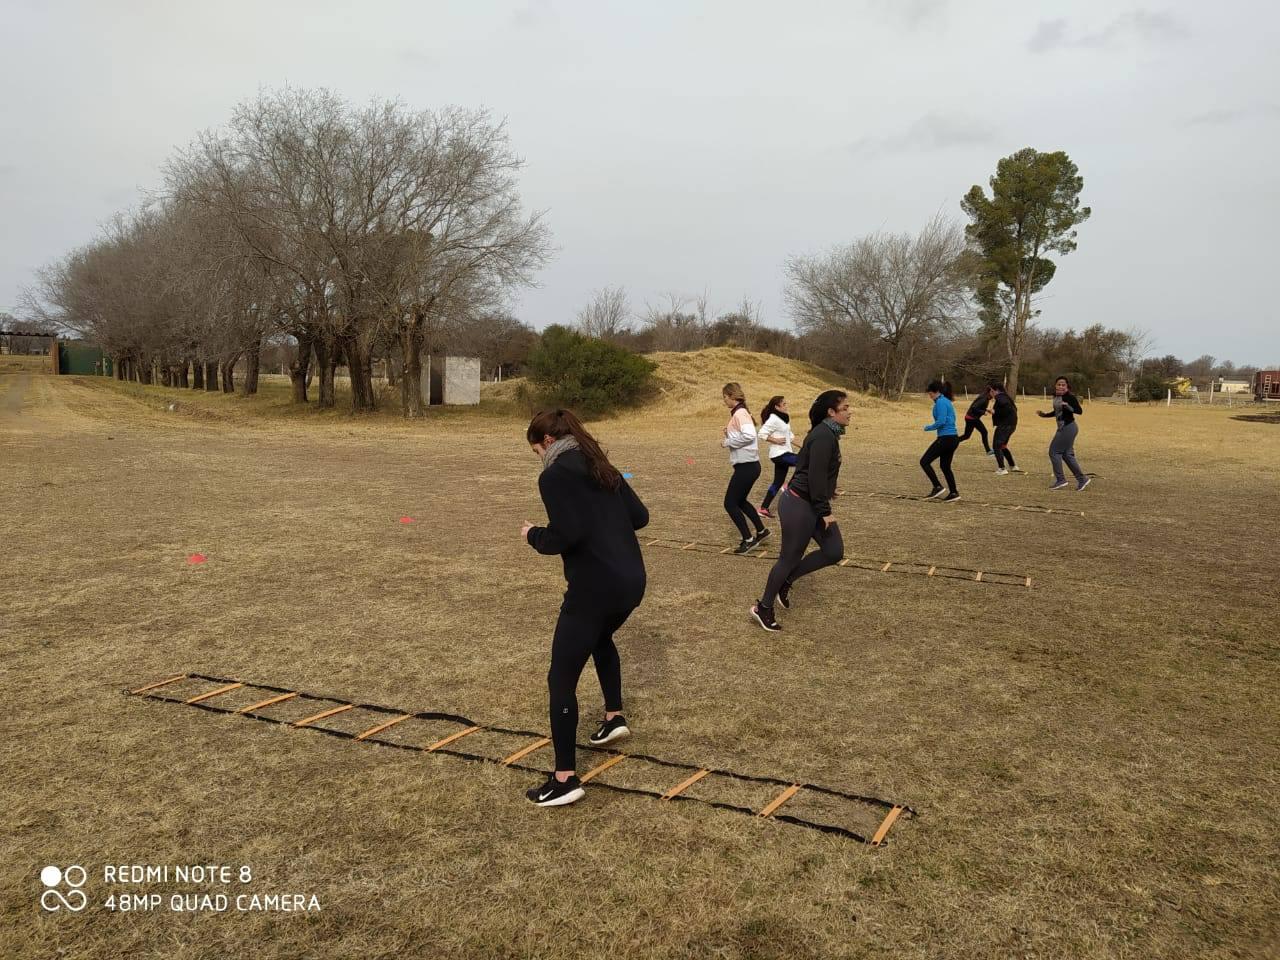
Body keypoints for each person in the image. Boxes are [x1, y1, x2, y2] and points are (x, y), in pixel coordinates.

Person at [521, 409, 649, 807]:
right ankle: (614, 717)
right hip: (631, 580)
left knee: (561, 677)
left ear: (546, 443)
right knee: (601, 638)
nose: (538, 459)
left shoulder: (554, 474)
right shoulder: (600, 465)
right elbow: (639, 517)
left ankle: (564, 779)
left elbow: (564, 535)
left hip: (595, 586)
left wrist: (533, 535)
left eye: (535, 451)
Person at [750, 390, 851, 632]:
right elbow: (813, 477)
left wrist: (830, 488)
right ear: (831, 411)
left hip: (812, 502)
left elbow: (810, 468)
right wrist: (825, 510)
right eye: (846, 407)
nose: (851, 412)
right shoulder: (823, 436)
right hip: (799, 504)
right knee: (789, 557)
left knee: (834, 550)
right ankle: (762, 608)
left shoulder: (828, 434)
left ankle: (788, 580)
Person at [721, 382, 768, 553]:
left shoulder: (740, 413)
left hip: (747, 466)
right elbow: (744, 436)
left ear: (732, 396)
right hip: (749, 465)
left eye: (725, 397)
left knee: (730, 503)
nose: (724, 401)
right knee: (740, 501)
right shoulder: (739, 413)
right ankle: (762, 531)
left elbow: (749, 435)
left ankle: (748, 539)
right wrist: (729, 433)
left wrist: (727, 441)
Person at [1037, 376, 1091, 491]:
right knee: (1067, 455)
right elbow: (1057, 412)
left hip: (1068, 427)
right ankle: (1082, 479)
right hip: (1064, 427)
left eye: (1063, 385)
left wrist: (1068, 406)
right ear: (1055, 385)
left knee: (1054, 451)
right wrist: (1044, 415)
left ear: (1067, 387)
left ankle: (1061, 480)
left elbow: (1079, 411)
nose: (1061, 386)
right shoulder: (1057, 397)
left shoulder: (1069, 397)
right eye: (1059, 384)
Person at [756, 395, 798, 519]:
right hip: (779, 454)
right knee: (804, 461)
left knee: (777, 482)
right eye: (784, 404)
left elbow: (791, 438)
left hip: (783, 454)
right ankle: (789, 486)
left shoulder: (784, 419)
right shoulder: (773, 419)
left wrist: (807, 446)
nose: (786, 405)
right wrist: (775, 440)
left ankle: (763, 508)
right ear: (776, 407)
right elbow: (762, 433)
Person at [920, 380, 961, 502]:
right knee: (945, 466)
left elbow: (942, 421)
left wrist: (929, 427)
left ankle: (937, 487)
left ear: (937, 392)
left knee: (924, 461)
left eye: (931, 394)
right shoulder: (946, 401)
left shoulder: (941, 403)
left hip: (946, 438)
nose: (930, 396)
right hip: (952, 438)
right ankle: (954, 493)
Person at [989, 382, 1023, 476]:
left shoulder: (1000, 397)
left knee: (997, 446)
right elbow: (1013, 409)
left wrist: (994, 411)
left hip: (1005, 425)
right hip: (1012, 424)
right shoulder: (1006, 397)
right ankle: (1013, 466)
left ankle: (1002, 468)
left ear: (996, 390)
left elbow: (1006, 408)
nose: (991, 393)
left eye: (991, 391)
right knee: (1003, 446)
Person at [958, 390, 993, 456]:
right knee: (984, 432)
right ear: (990, 392)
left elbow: (978, 407)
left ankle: (951, 442)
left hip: (970, 418)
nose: (994, 395)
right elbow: (974, 407)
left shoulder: (985, 397)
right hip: (972, 418)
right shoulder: (984, 399)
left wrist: (986, 410)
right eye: (993, 392)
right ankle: (988, 450)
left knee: (966, 436)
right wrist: (983, 412)